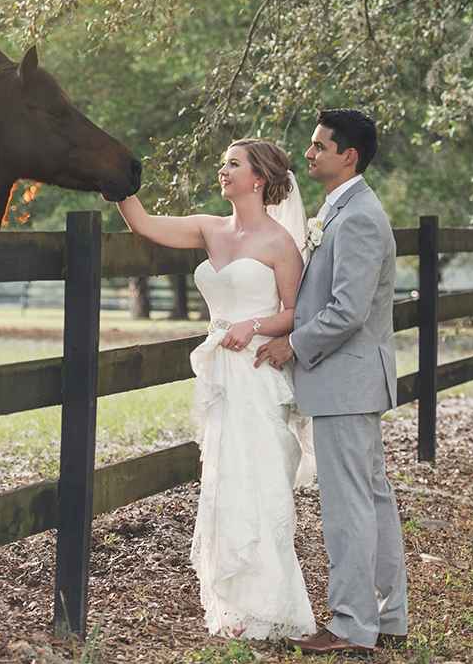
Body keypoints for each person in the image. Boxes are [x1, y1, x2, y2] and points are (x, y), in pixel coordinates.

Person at [114, 138, 317, 640]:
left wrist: (253, 324)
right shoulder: (209, 227)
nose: (222, 170)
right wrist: (116, 185)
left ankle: (276, 608)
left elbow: (297, 314)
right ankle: (235, 609)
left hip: (257, 371)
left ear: (259, 179)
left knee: (261, 483)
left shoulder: (280, 243)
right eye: (222, 163)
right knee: (224, 482)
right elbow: (145, 224)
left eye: (233, 164)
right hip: (219, 379)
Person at [255, 109, 409, 656]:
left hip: (348, 381)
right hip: (353, 382)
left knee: (350, 506)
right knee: (372, 498)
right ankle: (388, 617)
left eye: (320, 146)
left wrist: (291, 344)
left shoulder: (360, 217)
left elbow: (347, 311)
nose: (310, 153)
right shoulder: (340, 210)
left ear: (349, 156)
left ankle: (349, 625)